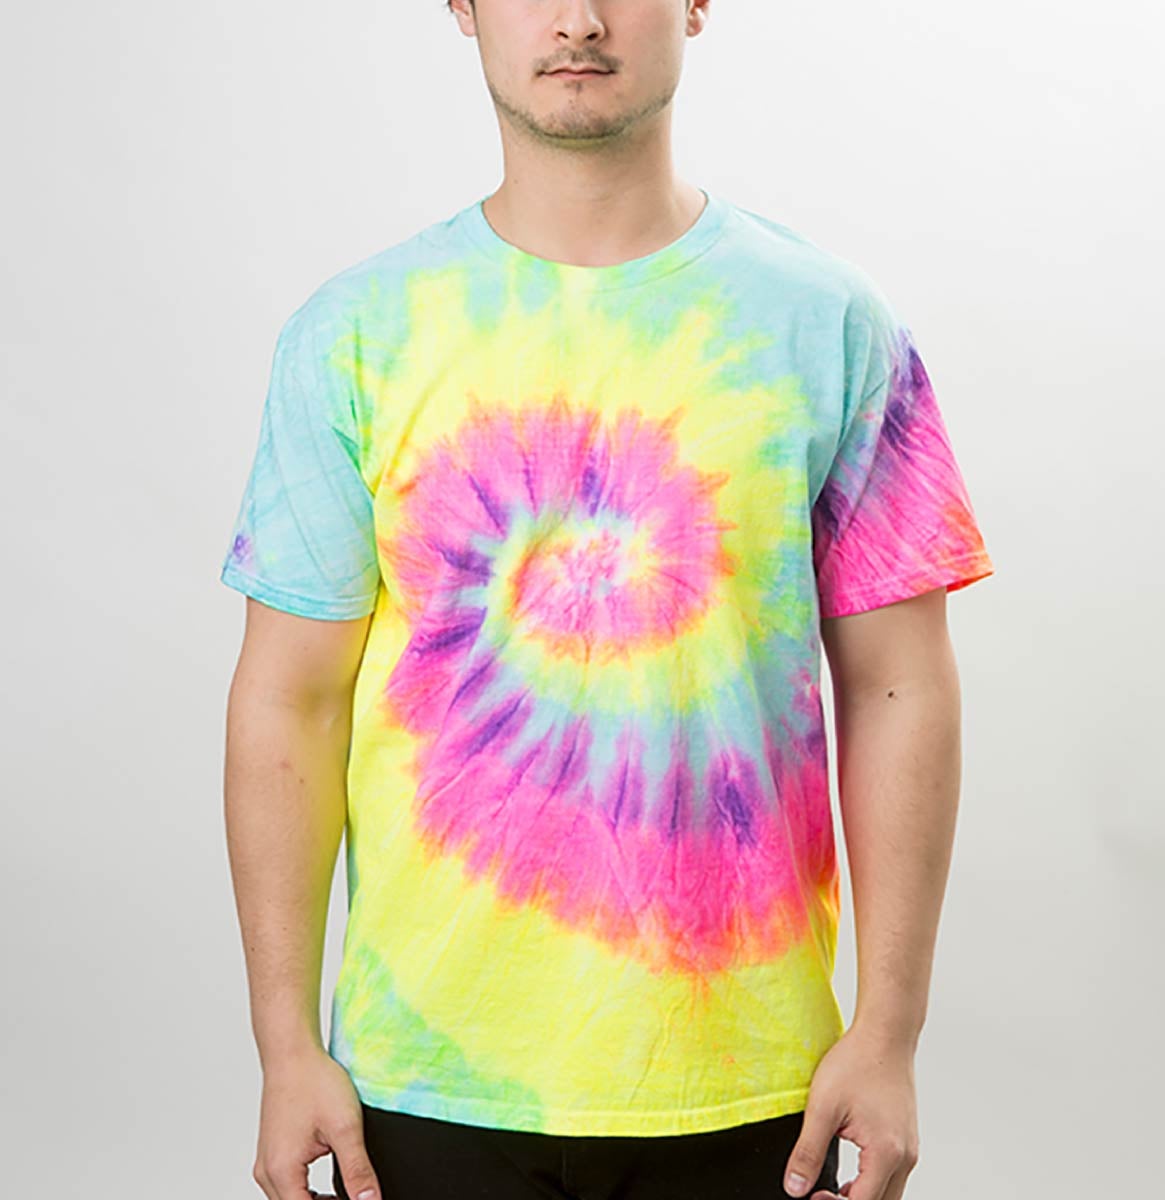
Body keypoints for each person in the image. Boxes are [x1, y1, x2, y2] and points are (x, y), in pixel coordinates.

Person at [219, 2, 996, 1198]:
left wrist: (889, 1033)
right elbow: (291, 702)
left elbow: (899, 686)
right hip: (423, 1087)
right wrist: (284, 1049)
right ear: (463, 6)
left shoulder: (830, 325)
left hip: (752, 1088)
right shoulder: (354, 336)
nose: (579, 19)